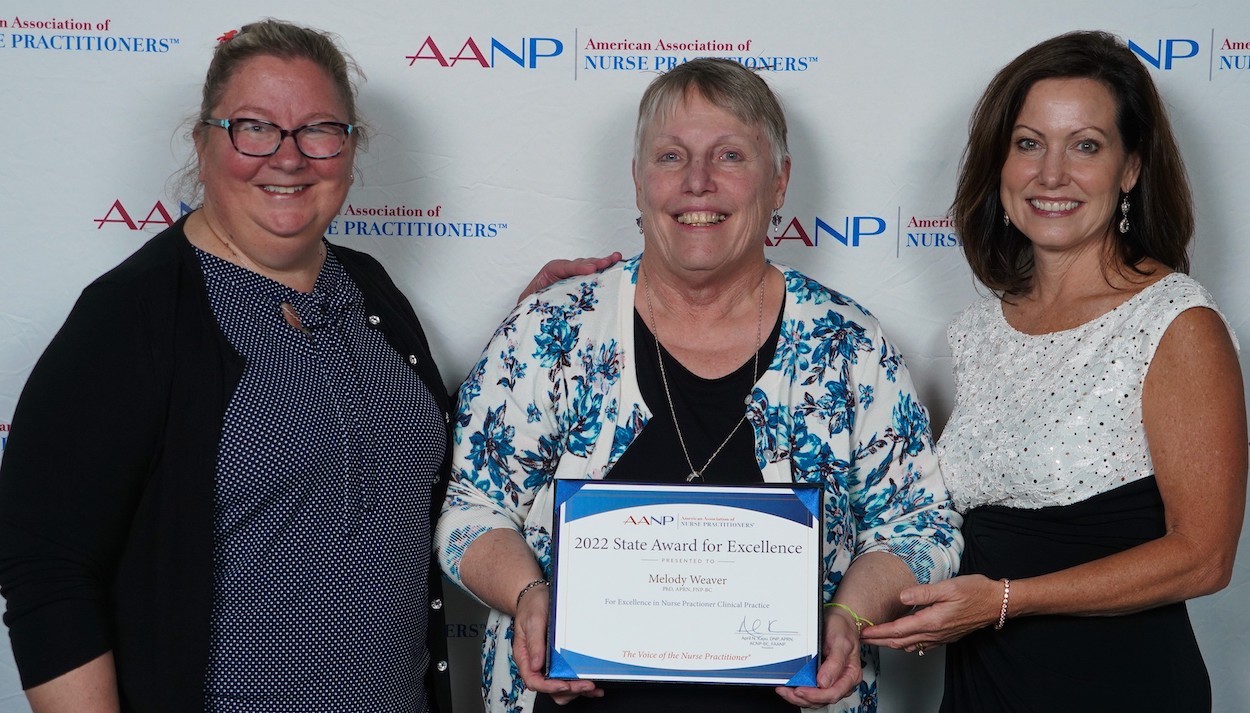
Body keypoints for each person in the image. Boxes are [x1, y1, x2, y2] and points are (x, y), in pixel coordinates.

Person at [0, 19, 616, 713]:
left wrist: (524, 336)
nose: (288, 157)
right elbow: (47, 572)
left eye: (320, 129)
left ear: (350, 150)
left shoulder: (368, 288)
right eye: (254, 127)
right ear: (203, 143)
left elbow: (401, 451)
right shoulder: (133, 317)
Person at [435, 57, 963, 713]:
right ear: (637, 180)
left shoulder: (850, 345)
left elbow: (919, 526)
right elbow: (470, 509)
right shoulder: (553, 328)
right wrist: (525, 593)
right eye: (671, 157)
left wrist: (850, 615)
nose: (697, 183)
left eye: (731, 156)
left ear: (779, 181)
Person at [860, 31, 1247, 712]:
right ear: (1000, 162)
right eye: (1029, 142)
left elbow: (1204, 557)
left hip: (1119, 689)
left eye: (1086, 145)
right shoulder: (976, 334)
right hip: (982, 689)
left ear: (1130, 168)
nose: (1051, 174)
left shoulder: (1176, 321)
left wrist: (1006, 600)